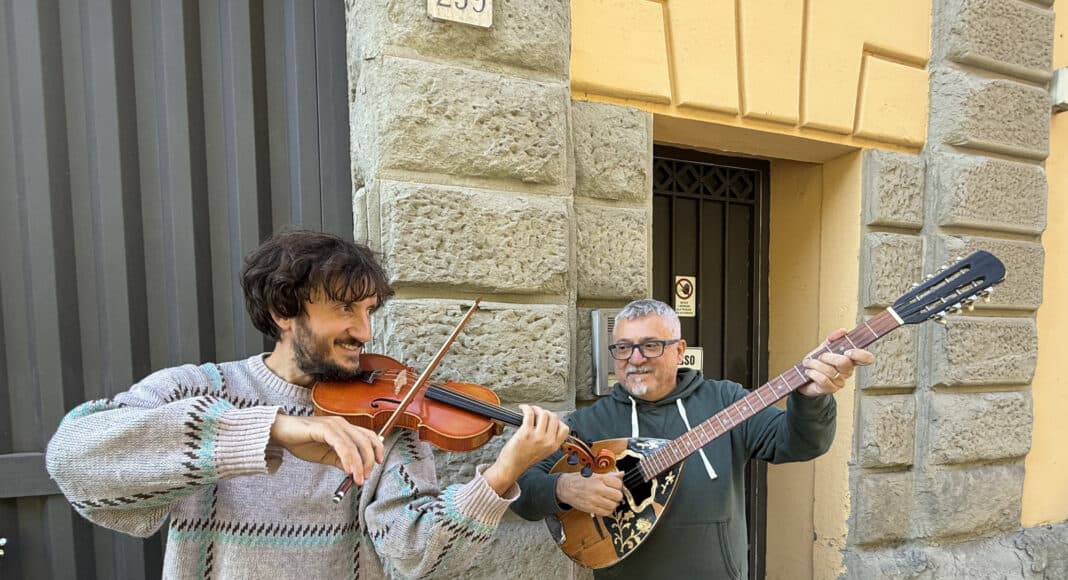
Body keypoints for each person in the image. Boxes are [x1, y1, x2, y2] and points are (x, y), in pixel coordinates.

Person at [46, 229, 569, 579]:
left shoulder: (388, 418)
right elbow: (73, 457)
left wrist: (501, 475)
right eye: (345, 308)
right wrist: (271, 430)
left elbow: (418, 555)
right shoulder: (200, 390)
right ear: (283, 309)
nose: (363, 331)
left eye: (369, 310)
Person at [510, 298, 875, 579]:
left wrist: (810, 398)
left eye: (650, 345)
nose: (634, 359)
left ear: (680, 351)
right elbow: (522, 490)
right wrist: (563, 489)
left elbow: (799, 443)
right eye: (622, 347)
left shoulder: (726, 401)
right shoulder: (592, 423)